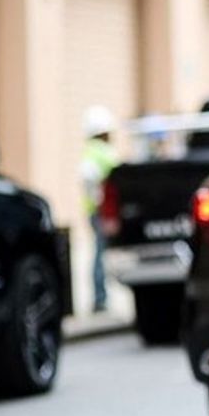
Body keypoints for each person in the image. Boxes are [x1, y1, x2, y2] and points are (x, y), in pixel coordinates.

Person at [80, 105, 119, 313]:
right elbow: (88, 178)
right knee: (100, 253)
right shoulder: (101, 152)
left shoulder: (91, 151)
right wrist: (99, 201)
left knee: (101, 252)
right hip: (102, 212)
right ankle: (100, 297)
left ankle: (101, 296)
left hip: (98, 211)